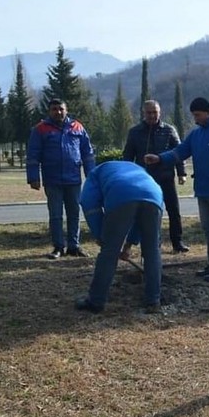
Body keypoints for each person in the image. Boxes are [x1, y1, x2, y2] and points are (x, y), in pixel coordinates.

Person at [144, 97, 209, 283]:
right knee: (208, 229)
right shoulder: (197, 134)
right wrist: (159, 158)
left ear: (208, 112)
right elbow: (180, 152)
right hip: (203, 190)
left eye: (198, 115)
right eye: (194, 115)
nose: (195, 119)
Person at [75, 161, 164, 313]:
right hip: (154, 195)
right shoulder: (138, 169)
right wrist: (129, 244)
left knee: (109, 253)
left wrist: (101, 235)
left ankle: (96, 301)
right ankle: (153, 301)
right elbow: (139, 219)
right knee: (152, 251)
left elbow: (88, 203)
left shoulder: (95, 173)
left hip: (120, 194)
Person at [26, 98, 96, 259]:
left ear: (66, 110)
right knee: (56, 215)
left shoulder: (77, 127)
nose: (58, 112)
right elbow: (33, 155)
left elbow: (87, 153)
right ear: (49, 111)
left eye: (61, 109)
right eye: (54, 109)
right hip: (52, 180)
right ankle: (58, 247)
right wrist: (33, 177)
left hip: (73, 180)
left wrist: (91, 175)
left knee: (74, 214)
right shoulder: (40, 129)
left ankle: (74, 246)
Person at [122, 99, 190, 253]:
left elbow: (179, 152)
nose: (152, 115)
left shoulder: (169, 130)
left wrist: (182, 173)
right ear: (143, 113)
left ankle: (177, 242)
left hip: (166, 177)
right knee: (150, 212)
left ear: (160, 113)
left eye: (155, 112)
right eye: (149, 112)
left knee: (174, 211)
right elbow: (128, 156)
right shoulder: (134, 132)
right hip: (144, 180)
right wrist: (127, 177)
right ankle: (154, 242)